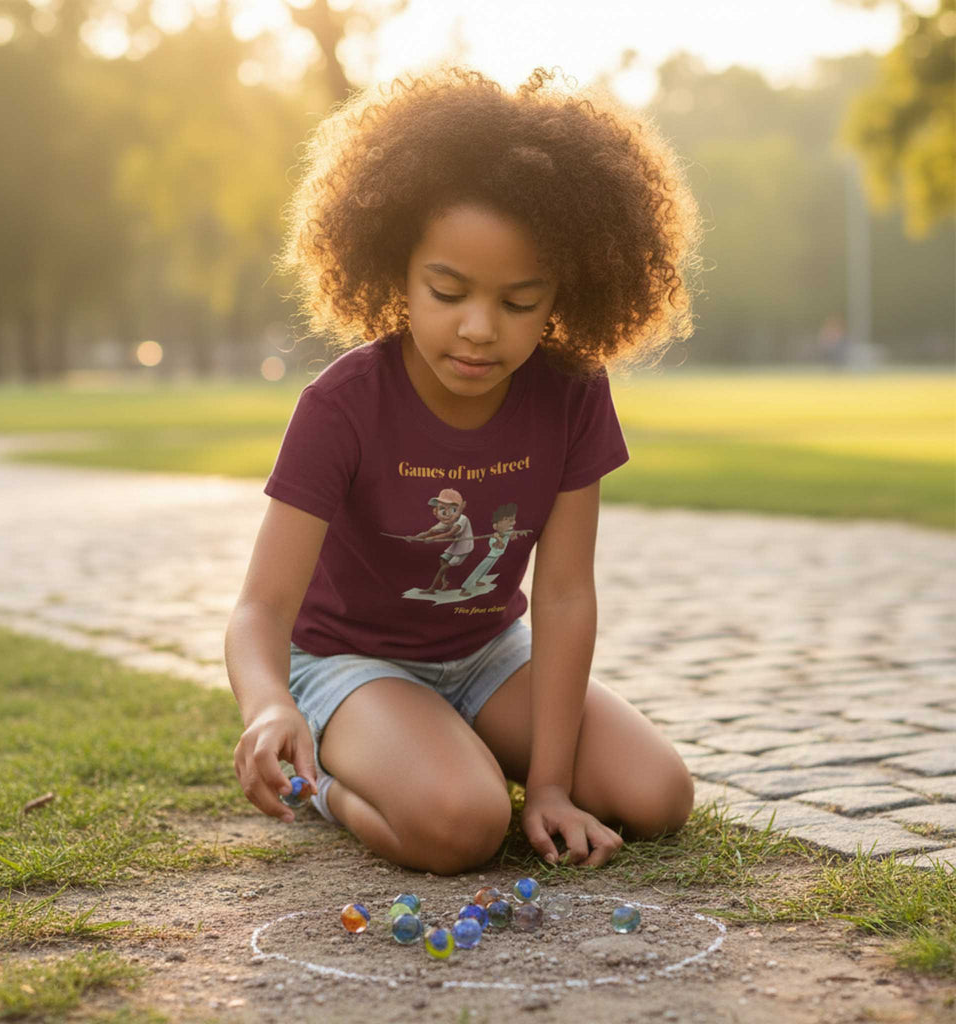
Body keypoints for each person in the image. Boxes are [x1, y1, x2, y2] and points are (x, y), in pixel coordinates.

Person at [226, 66, 701, 875]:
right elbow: (261, 609)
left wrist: (550, 787)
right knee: (465, 824)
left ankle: (452, 743)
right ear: (397, 271)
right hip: (351, 663)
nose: (479, 329)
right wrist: (271, 705)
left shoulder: (574, 393)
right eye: (447, 291)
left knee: (658, 795)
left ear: (564, 296)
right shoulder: (342, 405)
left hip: (487, 653)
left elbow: (562, 593)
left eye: (520, 302)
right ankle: (337, 784)